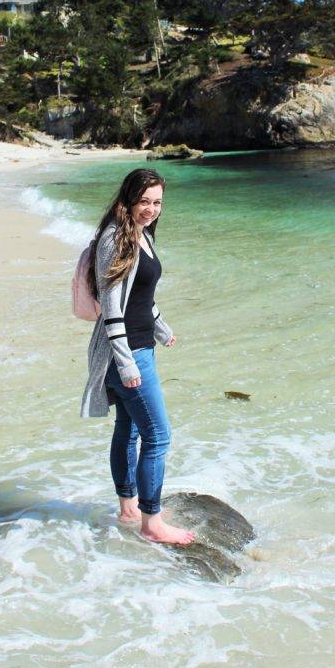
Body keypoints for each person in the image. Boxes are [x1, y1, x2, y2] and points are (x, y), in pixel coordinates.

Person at [80, 168, 195, 545]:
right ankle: (152, 523)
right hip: (127, 352)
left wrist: (161, 327)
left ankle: (129, 507)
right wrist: (126, 361)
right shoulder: (115, 238)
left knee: (128, 431)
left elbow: (140, 296)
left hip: (141, 345)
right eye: (144, 201)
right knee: (158, 436)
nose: (151, 209)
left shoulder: (141, 234)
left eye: (157, 202)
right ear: (128, 200)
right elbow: (112, 306)